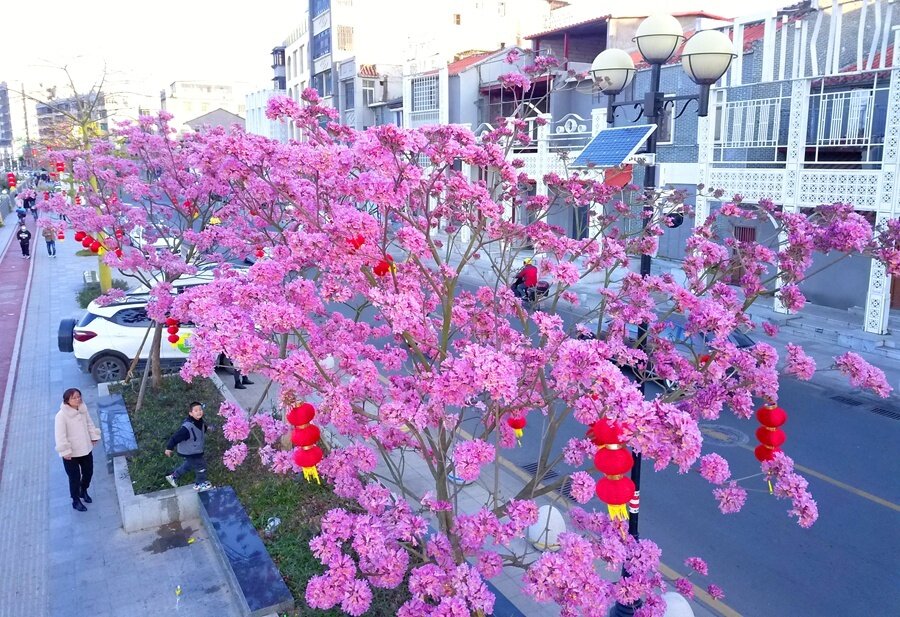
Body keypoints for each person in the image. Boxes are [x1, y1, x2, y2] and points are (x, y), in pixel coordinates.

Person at [54, 388, 101, 512]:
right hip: (71, 454)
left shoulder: (82, 409)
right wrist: (65, 451)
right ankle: (75, 500)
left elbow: (89, 423)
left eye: (79, 396)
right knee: (74, 478)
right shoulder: (61, 416)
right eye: (74, 398)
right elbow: (60, 436)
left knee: (88, 473)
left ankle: (83, 490)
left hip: (86, 449)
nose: (77, 399)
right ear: (67, 400)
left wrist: (93, 436)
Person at [164, 401, 213, 491]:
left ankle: (173, 476)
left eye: (200, 410)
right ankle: (200, 484)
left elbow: (201, 428)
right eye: (196, 410)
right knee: (201, 465)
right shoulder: (187, 428)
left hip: (195, 449)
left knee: (189, 464)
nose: (199, 412)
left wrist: (208, 428)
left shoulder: (200, 422)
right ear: (190, 413)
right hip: (190, 451)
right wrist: (169, 448)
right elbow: (175, 437)